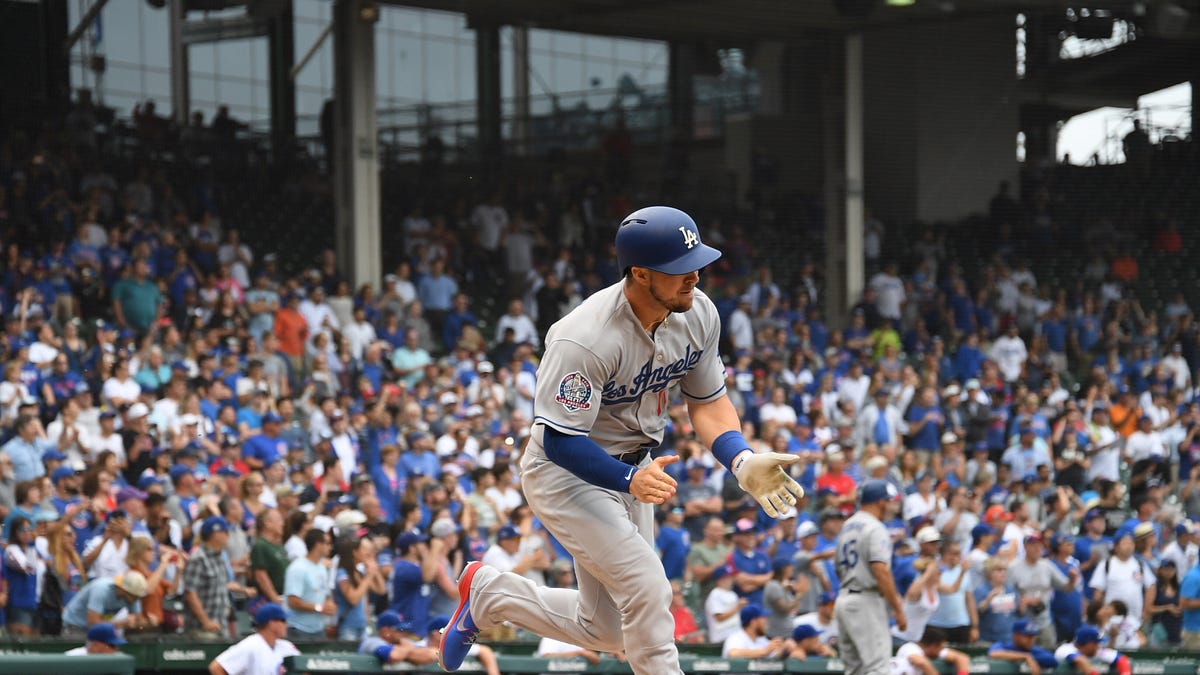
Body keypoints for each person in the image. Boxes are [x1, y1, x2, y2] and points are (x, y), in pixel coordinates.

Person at [437, 207, 803, 674]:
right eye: (678, 270)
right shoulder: (584, 337)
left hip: (636, 471)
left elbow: (708, 403)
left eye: (696, 265)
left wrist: (739, 457)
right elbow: (561, 442)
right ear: (640, 273)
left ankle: (491, 594)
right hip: (567, 473)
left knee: (609, 630)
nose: (693, 277)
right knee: (650, 587)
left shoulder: (698, 313)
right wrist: (629, 479)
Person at [835, 479, 907, 675]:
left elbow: (837, 568)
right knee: (878, 668)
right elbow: (880, 570)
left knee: (855, 670)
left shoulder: (847, 525)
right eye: (890, 500)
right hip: (866, 600)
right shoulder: (875, 527)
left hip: (844, 599)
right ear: (880, 502)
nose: (893, 505)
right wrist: (898, 608)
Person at [207, 603, 299, 675]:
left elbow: (303, 669)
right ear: (271, 623)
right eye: (283, 621)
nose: (286, 625)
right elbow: (216, 667)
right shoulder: (251, 645)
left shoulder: (286, 646)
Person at [183, 515, 234, 639]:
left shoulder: (220, 557)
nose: (228, 535)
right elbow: (190, 593)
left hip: (221, 627)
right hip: (201, 630)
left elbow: (223, 586)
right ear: (214, 534)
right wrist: (205, 621)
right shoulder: (198, 558)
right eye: (224, 531)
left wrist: (226, 608)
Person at [284, 528, 336, 638]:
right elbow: (293, 601)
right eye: (327, 543)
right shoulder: (297, 568)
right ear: (318, 544)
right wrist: (319, 608)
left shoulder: (322, 567)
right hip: (299, 629)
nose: (330, 547)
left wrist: (329, 604)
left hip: (319, 629)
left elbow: (325, 594)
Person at [62, 571, 149, 635]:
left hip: (95, 628)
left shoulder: (132, 597)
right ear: (124, 590)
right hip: (74, 625)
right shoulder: (101, 590)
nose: (137, 600)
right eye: (134, 596)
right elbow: (93, 623)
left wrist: (143, 622)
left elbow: (138, 620)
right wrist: (121, 624)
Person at [358, 610, 439, 667]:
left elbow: (431, 654)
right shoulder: (371, 642)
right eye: (398, 630)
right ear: (386, 631)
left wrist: (405, 653)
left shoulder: (402, 643)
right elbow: (394, 655)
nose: (403, 633)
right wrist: (410, 651)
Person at [987, 619, 1058, 675]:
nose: (1031, 640)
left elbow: (1052, 661)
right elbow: (993, 654)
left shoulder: (1034, 650)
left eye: (1033, 636)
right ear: (1016, 635)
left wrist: (1032, 659)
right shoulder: (1005, 645)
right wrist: (1025, 657)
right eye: (1027, 636)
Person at [891, 626, 971, 675]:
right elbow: (920, 662)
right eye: (941, 647)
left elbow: (963, 658)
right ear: (933, 646)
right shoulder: (910, 647)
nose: (942, 650)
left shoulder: (933, 651)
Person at [1055, 625, 1132, 675]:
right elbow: (1080, 661)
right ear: (1089, 643)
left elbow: (1122, 659)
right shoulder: (1065, 649)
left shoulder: (1095, 651)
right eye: (1096, 643)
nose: (1098, 646)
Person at [722, 603, 789, 659]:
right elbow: (733, 654)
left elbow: (771, 656)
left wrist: (782, 648)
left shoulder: (761, 640)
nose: (766, 622)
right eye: (763, 618)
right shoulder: (736, 638)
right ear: (754, 622)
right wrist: (764, 651)